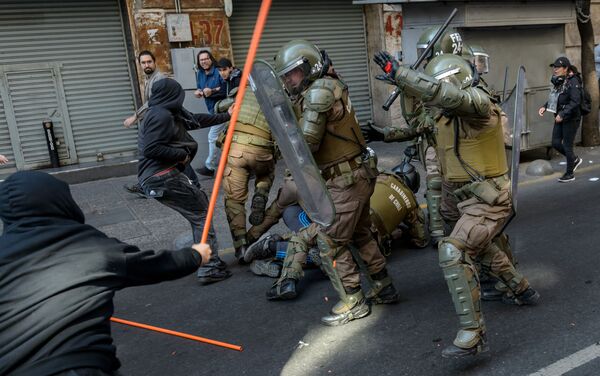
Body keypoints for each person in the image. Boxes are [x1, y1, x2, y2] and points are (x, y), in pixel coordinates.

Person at [374, 51, 540, 357]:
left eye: (444, 83)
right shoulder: (443, 115)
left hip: (488, 196)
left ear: (457, 81)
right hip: (457, 196)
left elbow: (441, 94)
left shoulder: (479, 104)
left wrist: (402, 75)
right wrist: (406, 93)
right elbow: (416, 121)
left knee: (454, 250)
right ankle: (518, 286)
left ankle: (473, 333)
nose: (437, 93)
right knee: (477, 243)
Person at [0, 170, 213, 376]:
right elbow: (153, 265)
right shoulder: (88, 246)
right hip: (75, 365)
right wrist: (195, 255)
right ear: (60, 201)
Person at [268, 40, 399, 326]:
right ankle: (383, 285)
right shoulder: (327, 85)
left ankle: (353, 300)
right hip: (356, 174)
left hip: (346, 180)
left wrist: (281, 142)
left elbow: (306, 146)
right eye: (286, 75)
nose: (289, 80)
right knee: (361, 234)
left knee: (330, 242)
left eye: (293, 73)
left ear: (309, 67)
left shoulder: (318, 93)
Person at [362, 28, 465, 244]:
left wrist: (387, 134)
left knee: (458, 186)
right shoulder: (428, 76)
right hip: (433, 142)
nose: (423, 56)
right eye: (421, 51)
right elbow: (417, 121)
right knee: (435, 183)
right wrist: (404, 84)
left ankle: (467, 228)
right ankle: (438, 231)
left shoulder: (455, 78)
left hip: (456, 142)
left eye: (427, 51)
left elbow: (427, 122)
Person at [139, 78, 232, 284]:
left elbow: (197, 120)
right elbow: (151, 148)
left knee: (198, 213)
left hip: (162, 178)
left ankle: (205, 261)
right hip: (163, 178)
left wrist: (227, 115)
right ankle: (209, 267)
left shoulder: (168, 112)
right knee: (201, 216)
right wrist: (180, 154)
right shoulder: (161, 116)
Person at [217, 88, 276, 264]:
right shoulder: (278, 94)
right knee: (266, 174)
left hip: (236, 149)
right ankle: (261, 192)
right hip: (263, 149)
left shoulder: (242, 90)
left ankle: (241, 247)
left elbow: (219, 107)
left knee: (234, 199)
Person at [122, 50, 167, 197]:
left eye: (149, 62)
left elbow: (151, 103)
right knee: (159, 157)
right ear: (139, 64)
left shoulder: (158, 79)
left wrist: (135, 117)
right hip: (155, 124)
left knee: (147, 154)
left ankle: (145, 185)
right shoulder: (149, 78)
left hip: (159, 125)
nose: (146, 65)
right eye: (143, 62)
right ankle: (147, 185)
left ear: (155, 62)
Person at [538, 57, 583, 183]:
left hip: (571, 117)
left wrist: (562, 114)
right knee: (556, 143)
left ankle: (570, 174)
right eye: (554, 67)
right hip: (560, 117)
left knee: (567, 146)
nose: (555, 69)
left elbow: (575, 101)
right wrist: (545, 106)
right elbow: (556, 98)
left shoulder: (573, 81)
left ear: (566, 68)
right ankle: (574, 159)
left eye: (558, 67)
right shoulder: (560, 81)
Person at [195, 50, 226, 177]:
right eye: (201, 60)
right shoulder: (200, 73)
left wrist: (212, 91)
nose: (204, 61)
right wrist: (198, 91)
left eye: (206, 59)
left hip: (224, 109)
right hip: (212, 110)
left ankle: (210, 166)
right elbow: (200, 87)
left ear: (211, 59)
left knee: (212, 136)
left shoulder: (219, 71)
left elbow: (226, 89)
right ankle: (242, 165)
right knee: (227, 139)